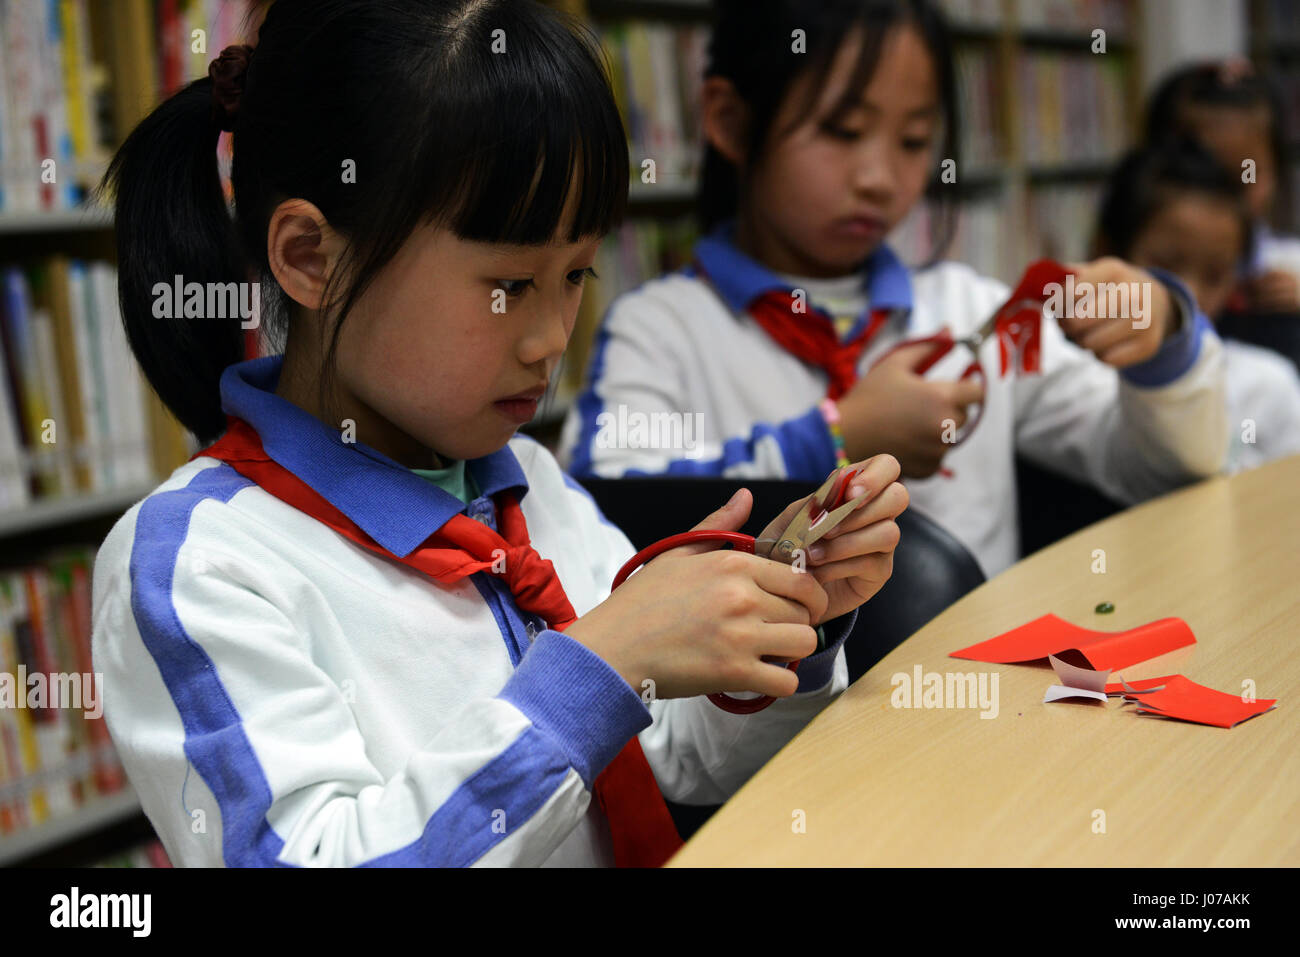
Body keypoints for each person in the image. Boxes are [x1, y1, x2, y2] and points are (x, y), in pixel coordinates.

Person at [90, 0, 908, 868]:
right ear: (309, 258)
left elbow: (673, 757)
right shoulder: (201, 563)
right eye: (510, 283)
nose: (553, 337)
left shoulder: (526, 484)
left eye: (575, 275)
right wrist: (601, 662)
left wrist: (784, 621)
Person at [559, 0, 1227, 579]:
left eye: (913, 140)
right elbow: (606, 508)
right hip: (774, 715)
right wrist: (837, 440)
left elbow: (1166, 470)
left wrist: (1164, 338)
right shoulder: (662, 329)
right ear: (732, 121)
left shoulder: (973, 312)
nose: (880, 177)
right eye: (842, 132)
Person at [1094, 141, 1300, 471]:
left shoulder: (1268, 384)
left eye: (1216, 275)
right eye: (1166, 264)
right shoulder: (1076, 382)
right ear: (1108, 250)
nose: (1187, 294)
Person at [1145, 58, 1300, 315]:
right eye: (1209, 177)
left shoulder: (1290, 266)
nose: (1232, 197)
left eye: (1248, 175)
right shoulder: (1136, 270)